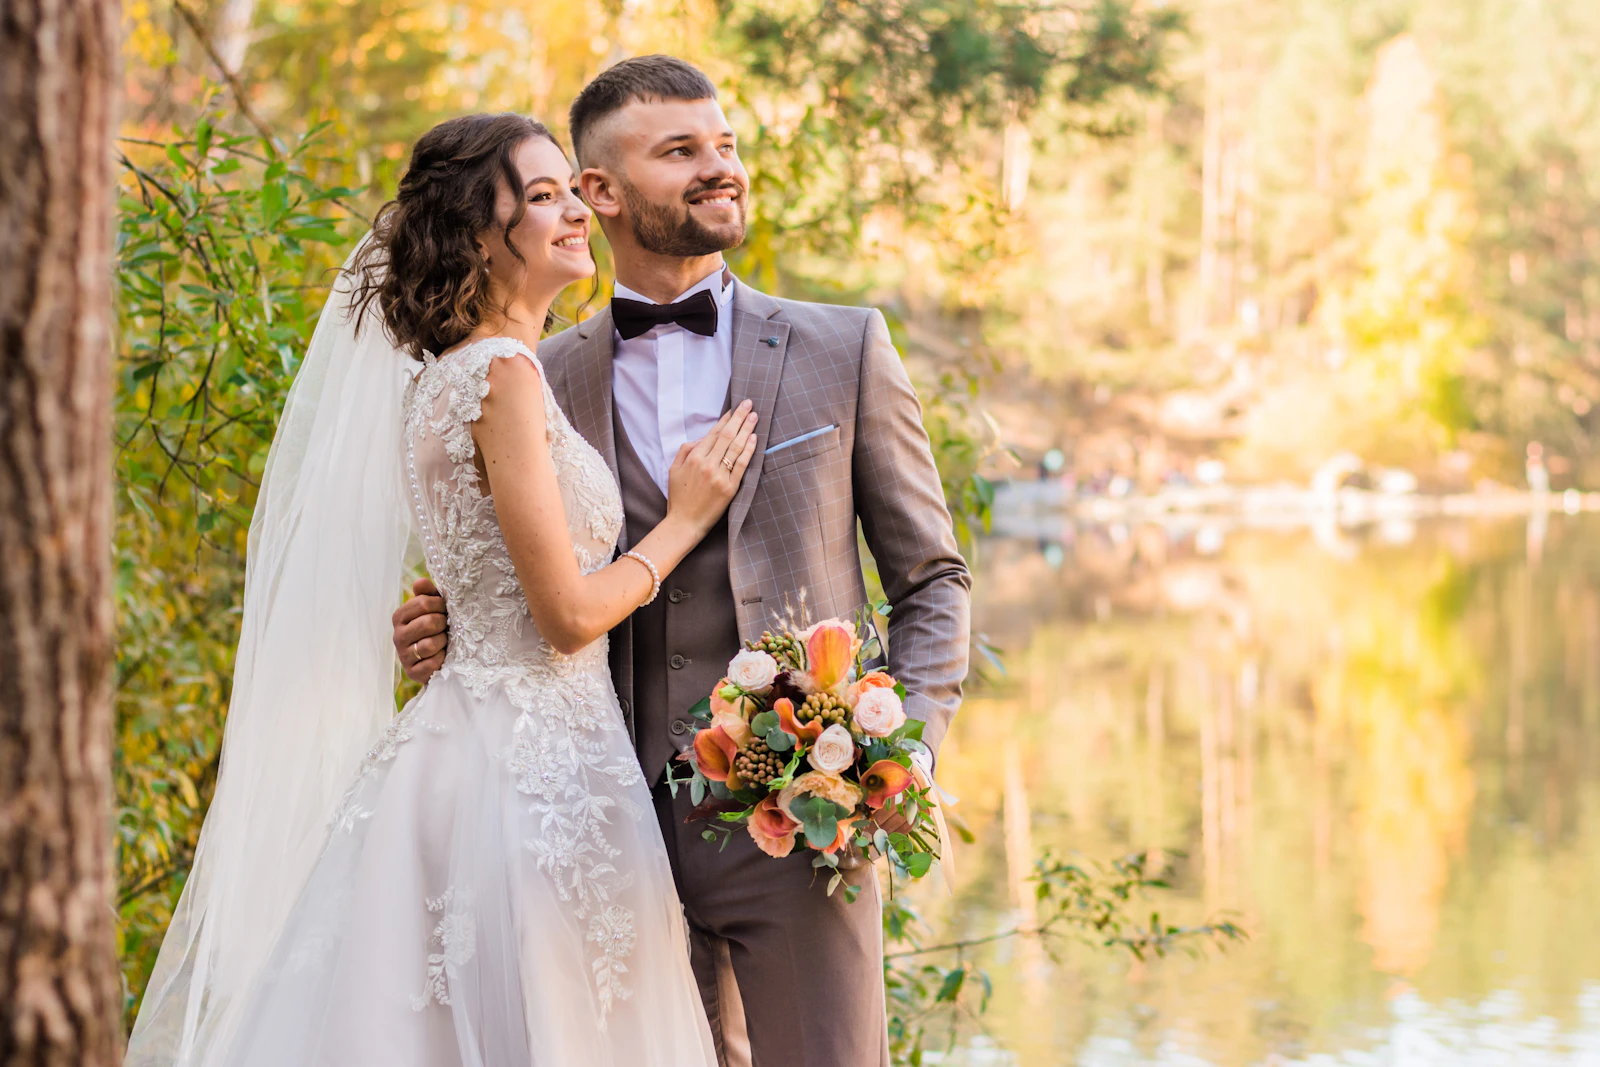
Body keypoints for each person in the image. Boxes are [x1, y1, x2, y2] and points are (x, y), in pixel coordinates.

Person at [126, 113, 750, 1066]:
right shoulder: (502, 375)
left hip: (483, 745)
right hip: (533, 772)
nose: (574, 211)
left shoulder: (451, 378)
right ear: (475, 235)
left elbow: (486, 575)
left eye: (568, 190)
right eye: (541, 197)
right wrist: (684, 518)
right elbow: (564, 617)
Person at [394, 56, 972, 1067]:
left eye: (725, 146)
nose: (718, 168)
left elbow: (932, 580)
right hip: (592, 824)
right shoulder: (533, 367)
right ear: (599, 193)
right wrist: (445, 619)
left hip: (796, 820)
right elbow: (517, 563)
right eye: (680, 151)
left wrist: (901, 753)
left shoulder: (844, 349)